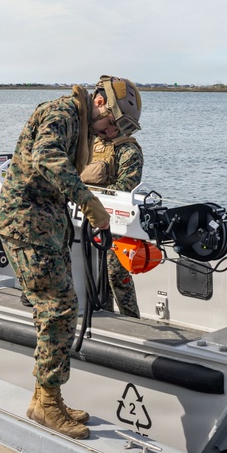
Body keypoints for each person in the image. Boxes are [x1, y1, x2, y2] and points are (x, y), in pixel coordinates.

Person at [0, 75, 142, 439]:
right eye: (109, 125)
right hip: (26, 223)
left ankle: (47, 397)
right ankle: (47, 402)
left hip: (45, 223)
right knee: (57, 306)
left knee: (60, 305)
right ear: (101, 103)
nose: (107, 135)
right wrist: (90, 204)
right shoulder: (62, 113)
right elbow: (47, 156)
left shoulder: (81, 122)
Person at [80, 132, 143, 318]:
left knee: (116, 275)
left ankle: (131, 320)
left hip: (117, 225)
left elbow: (125, 188)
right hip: (87, 219)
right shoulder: (88, 145)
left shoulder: (128, 151)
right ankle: (102, 315)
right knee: (95, 276)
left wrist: (91, 196)